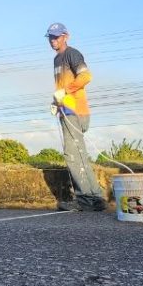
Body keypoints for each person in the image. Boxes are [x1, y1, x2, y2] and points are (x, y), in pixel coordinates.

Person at [46, 23, 106, 212]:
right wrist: (56, 102)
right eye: (50, 37)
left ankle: (85, 199)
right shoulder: (57, 60)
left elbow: (85, 76)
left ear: (66, 36)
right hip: (66, 110)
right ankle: (95, 199)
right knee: (79, 155)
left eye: (56, 37)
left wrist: (65, 91)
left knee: (73, 156)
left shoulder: (72, 54)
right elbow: (62, 86)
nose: (53, 40)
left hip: (75, 111)